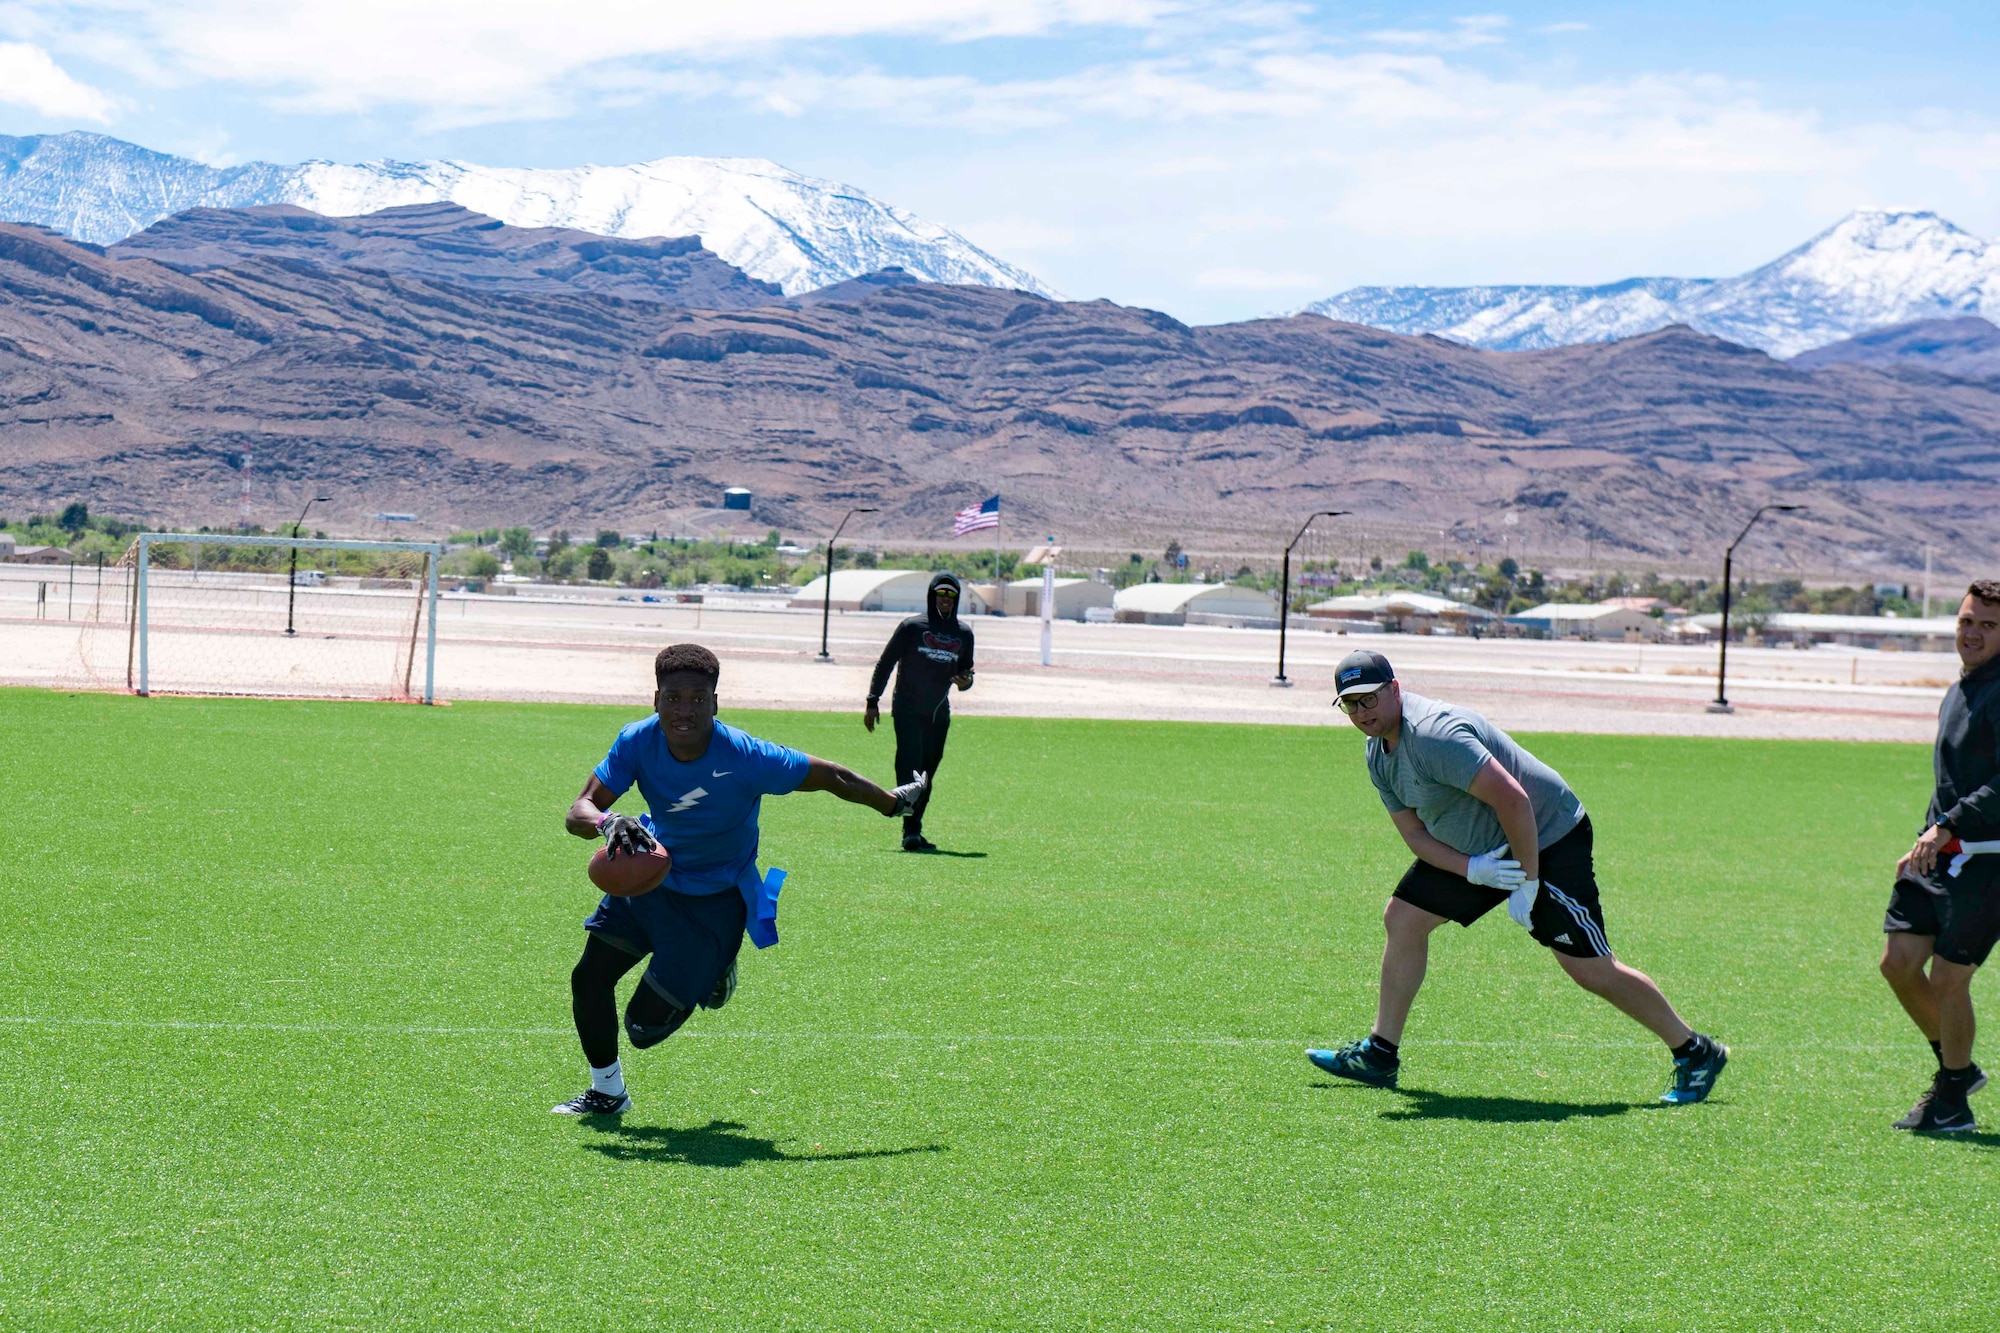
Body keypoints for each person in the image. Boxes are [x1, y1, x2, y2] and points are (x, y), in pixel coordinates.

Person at [1308, 649, 1729, 1104]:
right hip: (1482, 845)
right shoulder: (1378, 753)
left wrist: (1527, 882)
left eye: (1368, 699)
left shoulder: (1435, 736)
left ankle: (1695, 1052)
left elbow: (1515, 800)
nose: (1361, 713)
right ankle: (1380, 1054)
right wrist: (1474, 869)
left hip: (1547, 837)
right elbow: (1414, 833)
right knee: (1404, 918)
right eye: (1350, 704)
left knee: (1589, 970)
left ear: (1394, 689)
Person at [552, 643, 928, 1115]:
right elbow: (578, 810)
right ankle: (608, 1092)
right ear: (655, 699)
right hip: (649, 878)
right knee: (588, 980)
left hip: (714, 901)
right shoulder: (636, 741)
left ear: (715, 701)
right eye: (672, 698)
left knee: (644, 1031)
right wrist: (609, 822)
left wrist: (894, 803)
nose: (683, 710)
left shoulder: (748, 756)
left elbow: (832, 776)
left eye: (696, 698)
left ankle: (716, 966)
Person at [1880, 582, 2000, 1133]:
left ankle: (1952, 1098)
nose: (1972, 633)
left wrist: (1948, 826)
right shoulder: (1960, 688)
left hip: (1986, 860)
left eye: (1987, 626)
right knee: (1899, 965)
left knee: (1950, 978)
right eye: (1966, 621)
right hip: (1939, 848)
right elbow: (1952, 780)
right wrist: (1926, 834)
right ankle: (1958, 1072)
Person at [866, 572, 975, 852]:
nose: (945, 599)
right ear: (931, 594)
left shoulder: (963, 634)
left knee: (927, 775)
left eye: (951, 594)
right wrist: (872, 699)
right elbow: (885, 663)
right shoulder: (912, 627)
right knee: (911, 768)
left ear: (957, 598)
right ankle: (909, 829)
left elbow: (966, 675)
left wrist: (966, 683)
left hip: (938, 715)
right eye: (941, 593)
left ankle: (915, 828)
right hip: (907, 709)